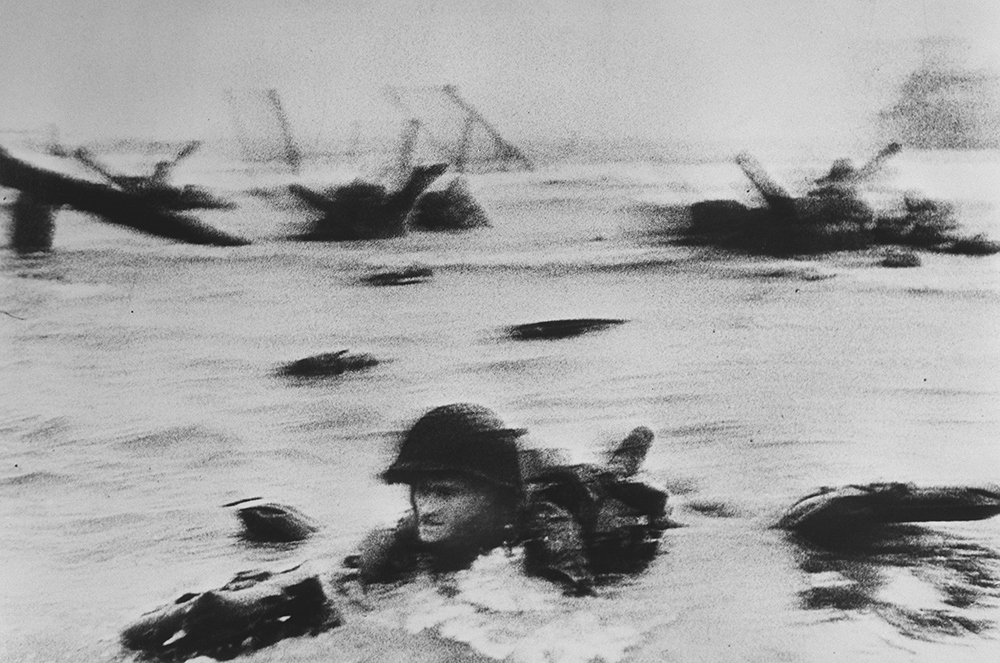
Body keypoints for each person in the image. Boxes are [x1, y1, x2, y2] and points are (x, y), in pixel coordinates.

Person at [344, 403, 671, 595]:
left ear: (495, 496)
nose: (426, 507)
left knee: (613, 480)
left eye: (445, 492)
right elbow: (357, 582)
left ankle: (631, 450)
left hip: (596, 511)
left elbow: (574, 607)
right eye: (421, 490)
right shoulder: (416, 527)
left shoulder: (548, 526)